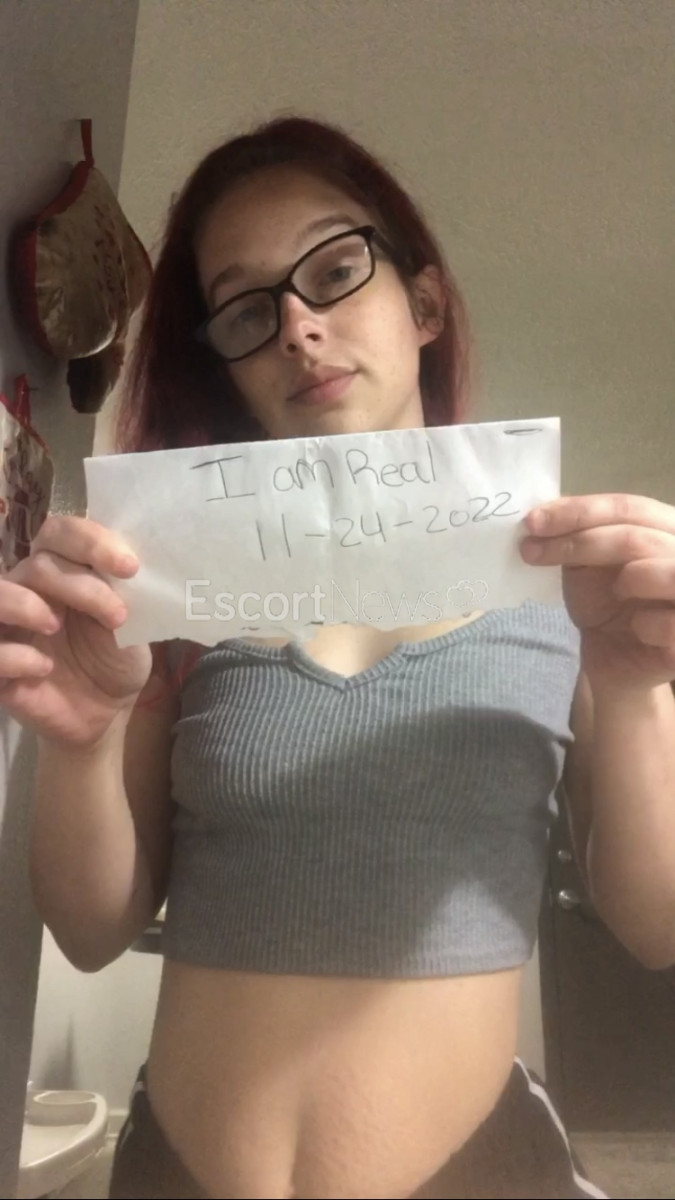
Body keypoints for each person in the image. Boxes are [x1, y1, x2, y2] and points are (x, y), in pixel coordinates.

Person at [4, 115, 675, 1200]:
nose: (298, 328)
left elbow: (657, 927)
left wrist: (636, 686)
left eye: (333, 272)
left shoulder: (571, 588)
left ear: (424, 304)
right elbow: (89, 931)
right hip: (172, 1173)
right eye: (247, 309)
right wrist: (79, 748)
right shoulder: (175, 599)